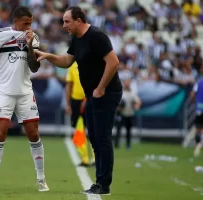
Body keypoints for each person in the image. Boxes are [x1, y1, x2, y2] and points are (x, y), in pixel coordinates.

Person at [35, 6, 122, 195]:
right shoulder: (77, 39)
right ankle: (100, 181)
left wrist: (101, 88)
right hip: (92, 94)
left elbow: (113, 62)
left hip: (106, 93)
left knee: (102, 137)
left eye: (67, 21)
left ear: (78, 21)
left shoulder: (97, 36)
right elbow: (66, 61)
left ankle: (104, 183)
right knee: (94, 138)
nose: (64, 25)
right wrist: (47, 56)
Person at [0, 6, 49, 192]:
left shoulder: (33, 38)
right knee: (0, 133)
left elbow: (35, 68)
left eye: (31, 23)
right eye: (26, 23)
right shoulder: (0, 35)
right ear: (16, 21)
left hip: (25, 93)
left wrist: (30, 46)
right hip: (4, 91)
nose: (29, 26)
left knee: (33, 134)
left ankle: (41, 179)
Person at [65, 61, 95, 166]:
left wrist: (87, 99)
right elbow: (69, 85)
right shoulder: (72, 66)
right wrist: (68, 104)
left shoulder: (91, 63)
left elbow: (94, 83)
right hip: (76, 101)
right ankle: (85, 158)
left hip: (89, 98)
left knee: (92, 128)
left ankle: (95, 158)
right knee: (79, 129)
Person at [114, 79, 141, 149]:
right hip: (121, 114)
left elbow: (138, 101)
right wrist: (118, 108)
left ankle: (128, 145)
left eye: (128, 83)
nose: (127, 84)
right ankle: (116, 144)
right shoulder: (121, 92)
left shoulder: (132, 93)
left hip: (129, 114)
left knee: (128, 131)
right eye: (126, 83)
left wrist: (137, 106)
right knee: (118, 129)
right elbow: (116, 103)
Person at [190, 66, 203, 157]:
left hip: (200, 108)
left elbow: (192, 94)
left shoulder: (199, 82)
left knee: (198, 129)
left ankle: (197, 147)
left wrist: (195, 102)